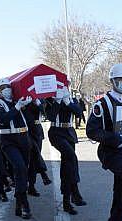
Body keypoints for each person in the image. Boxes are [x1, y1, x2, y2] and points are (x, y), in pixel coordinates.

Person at [86, 63, 122, 221]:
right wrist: (115, 140)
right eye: (121, 79)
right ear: (112, 81)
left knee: (120, 188)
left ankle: (115, 218)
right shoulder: (101, 104)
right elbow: (91, 131)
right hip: (111, 152)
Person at [0, 78, 32, 219]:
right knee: (20, 168)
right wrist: (17, 107)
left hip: (24, 139)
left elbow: (31, 119)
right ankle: (24, 204)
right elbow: (2, 120)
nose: (7, 89)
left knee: (23, 172)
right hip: (9, 141)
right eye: (3, 88)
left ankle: (18, 203)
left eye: (8, 87)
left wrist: (27, 105)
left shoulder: (18, 101)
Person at [45, 86, 86, 215]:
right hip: (56, 132)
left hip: (69, 132)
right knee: (71, 158)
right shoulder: (50, 100)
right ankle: (69, 197)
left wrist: (68, 102)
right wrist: (57, 101)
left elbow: (79, 113)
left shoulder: (71, 99)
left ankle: (72, 194)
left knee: (68, 162)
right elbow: (50, 116)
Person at [24, 98, 52, 197]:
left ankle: (31, 186)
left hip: (37, 130)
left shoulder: (41, 100)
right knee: (35, 152)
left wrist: (38, 103)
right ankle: (43, 173)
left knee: (34, 160)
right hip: (26, 130)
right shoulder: (23, 99)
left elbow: (45, 113)